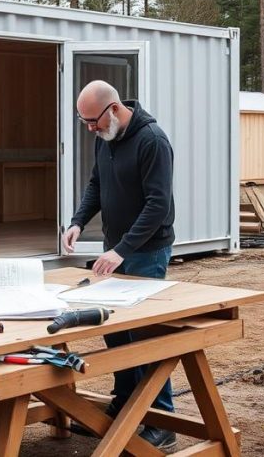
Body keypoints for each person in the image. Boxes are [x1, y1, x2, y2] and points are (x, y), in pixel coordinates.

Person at [61, 80, 177, 450]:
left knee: (145, 333)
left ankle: (162, 419)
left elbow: (158, 205)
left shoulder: (152, 141)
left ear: (113, 109)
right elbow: (96, 184)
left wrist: (122, 249)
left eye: (93, 121)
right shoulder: (105, 138)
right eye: (85, 123)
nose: (91, 129)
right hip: (117, 249)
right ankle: (124, 403)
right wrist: (78, 221)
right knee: (115, 329)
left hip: (146, 251)